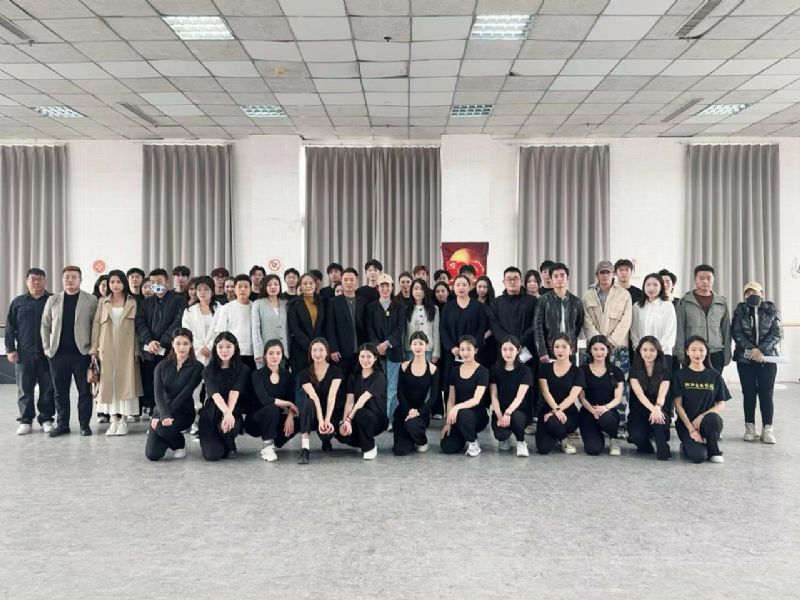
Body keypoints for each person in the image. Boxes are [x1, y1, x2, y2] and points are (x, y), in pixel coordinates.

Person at [41, 266, 98, 437]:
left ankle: (84, 425)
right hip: (58, 354)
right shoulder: (53, 300)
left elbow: (96, 327)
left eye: (74, 277)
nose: (70, 280)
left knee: (84, 392)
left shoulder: (91, 300)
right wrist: (47, 348)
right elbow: (45, 325)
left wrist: (93, 349)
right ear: (62, 279)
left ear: (80, 280)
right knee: (60, 392)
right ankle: (62, 424)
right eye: (67, 277)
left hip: (82, 354)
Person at [91, 270, 142, 436]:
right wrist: (94, 349)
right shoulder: (102, 302)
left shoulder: (132, 302)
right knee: (109, 385)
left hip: (127, 349)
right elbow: (96, 326)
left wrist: (136, 349)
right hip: (107, 348)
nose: (115, 285)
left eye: (118, 282)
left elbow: (138, 328)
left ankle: (123, 421)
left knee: (126, 384)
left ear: (124, 283)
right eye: (112, 282)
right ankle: (113, 420)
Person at [582, 260, 632, 429]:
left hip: (618, 348)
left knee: (620, 385)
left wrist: (610, 342)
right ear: (597, 275)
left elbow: (626, 320)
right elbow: (586, 321)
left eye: (608, 272)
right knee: (595, 385)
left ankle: (620, 423)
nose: (605, 276)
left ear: (613, 274)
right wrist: (598, 344)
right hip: (595, 349)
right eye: (601, 273)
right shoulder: (588, 295)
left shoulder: (624, 294)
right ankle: (595, 419)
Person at [732, 281, 783, 444]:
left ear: (762, 293)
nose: (751, 295)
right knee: (748, 393)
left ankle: (767, 429)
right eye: (748, 293)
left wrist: (761, 350)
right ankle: (750, 428)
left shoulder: (771, 310)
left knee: (766, 394)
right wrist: (752, 350)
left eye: (755, 292)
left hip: (767, 359)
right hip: (745, 359)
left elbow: (777, 333)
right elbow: (737, 333)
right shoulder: (739, 311)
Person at [5, 268, 54, 434]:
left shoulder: (53, 300)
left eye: (40, 279)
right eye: (33, 279)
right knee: (24, 389)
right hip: (24, 353)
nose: (36, 282)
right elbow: (10, 328)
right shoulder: (18, 302)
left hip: (48, 353)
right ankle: (25, 420)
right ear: (27, 282)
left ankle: (46, 419)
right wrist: (10, 349)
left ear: (45, 281)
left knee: (48, 388)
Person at [489, 267, 538, 426]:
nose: (512, 281)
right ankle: (504, 415)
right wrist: (508, 344)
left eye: (515, 278)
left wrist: (519, 343)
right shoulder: (497, 302)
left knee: (527, 383)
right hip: (504, 351)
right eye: (508, 279)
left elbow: (535, 324)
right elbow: (493, 325)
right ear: (503, 282)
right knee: (505, 384)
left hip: (526, 350)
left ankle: (528, 419)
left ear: (521, 281)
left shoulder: (532, 301)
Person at [145, 328, 203, 461]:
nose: (181, 347)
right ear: (172, 344)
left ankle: (179, 445)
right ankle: (169, 437)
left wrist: (165, 416)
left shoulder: (197, 367)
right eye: (178, 343)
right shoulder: (162, 366)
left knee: (162, 428)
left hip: (183, 411)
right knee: (152, 454)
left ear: (191, 344)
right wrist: (159, 415)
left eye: (185, 343)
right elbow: (158, 395)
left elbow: (184, 394)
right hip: (162, 410)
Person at [135, 268, 186, 418]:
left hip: (169, 350)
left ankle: (169, 411)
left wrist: (162, 342)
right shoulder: (146, 302)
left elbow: (178, 322)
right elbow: (140, 324)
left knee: (168, 381)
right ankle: (154, 412)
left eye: (159, 281)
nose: (156, 285)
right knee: (151, 381)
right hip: (149, 350)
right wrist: (149, 341)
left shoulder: (178, 300)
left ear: (167, 282)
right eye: (152, 282)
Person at [673, 336, 730, 464]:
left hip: (707, 423)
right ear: (687, 352)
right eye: (693, 350)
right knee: (699, 457)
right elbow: (678, 406)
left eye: (701, 350)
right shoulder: (679, 375)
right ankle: (686, 446)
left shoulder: (714, 375)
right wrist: (691, 429)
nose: (697, 354)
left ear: (706, 351)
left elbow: (721, 404)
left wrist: (701, 417)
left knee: (713, 418)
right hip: (686, 425)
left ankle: (714, 450)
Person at [440, 275, 487, 418]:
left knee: (472, 383)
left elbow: (482, 328)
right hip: (453, 352)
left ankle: (471, 414)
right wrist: (452, 348)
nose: (461, 288)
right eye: (458, 285)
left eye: (464, 285)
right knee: (450, 383)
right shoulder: (448, 306)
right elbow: (443, 329)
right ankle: (450, 415)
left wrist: (470, 348)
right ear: (453, 288)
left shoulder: (478, 306)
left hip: (471, 353)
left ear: (470, 287)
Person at [199, 332, 250, 461]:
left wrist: (228, 414)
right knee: (212, 455)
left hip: (232, 409)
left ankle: (230, 443)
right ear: (215, 348)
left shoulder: (243, 369)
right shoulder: (208, 370)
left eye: (228, 346)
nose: (224, 351)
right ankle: (217, 440)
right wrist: (226, 413)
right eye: (220, 347)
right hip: (212, 411)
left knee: (230, 425)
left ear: (235, 347)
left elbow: (234, 392)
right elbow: (215, 394)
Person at [246, 339, 299, 462]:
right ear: (265, 355)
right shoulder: (257, 374)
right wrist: (288, 404)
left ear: (282, 355)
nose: (275, 356)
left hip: (275, 419)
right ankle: (268, 445)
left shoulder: (287, 375)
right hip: (256, 420)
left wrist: (290, 416)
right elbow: (266, 400)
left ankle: (274, 442)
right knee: (272, 407)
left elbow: (292, 400)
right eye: (271, 353)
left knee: (298, 420)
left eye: (278, 353)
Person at [365, 273, 406, 423]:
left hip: (394, 352)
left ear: (392, 287)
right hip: (377, 353)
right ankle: (379, 417)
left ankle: (391, 419)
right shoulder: (371, 307)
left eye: (387, 286)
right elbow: (369, 328)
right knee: (379, 385)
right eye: (382, 286)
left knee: (393, 387)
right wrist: (377, 345)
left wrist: (387, 343)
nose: (385, 289)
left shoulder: (399, 306)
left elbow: (400, 328)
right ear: (377, 288)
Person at [337, 343, 389, 460]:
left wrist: (349, 419)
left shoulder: (379, 376)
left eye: (369, 357)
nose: (365, 360)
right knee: (343, 434)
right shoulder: (354, 376)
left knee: (361, 413)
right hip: (358, 416)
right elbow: (349, 401)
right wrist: (344, 422)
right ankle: (362, 441)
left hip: (377, 419)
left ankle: (370, 447)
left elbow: (362, 399)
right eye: (362, 356)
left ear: (375, 358)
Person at [675, 264, 731, 371]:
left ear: (713, 280)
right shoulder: (684, 302)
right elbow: (679, 329)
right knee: (692, 381)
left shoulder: (721, 302)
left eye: (709, 278)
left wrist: (727, 352)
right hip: (693, 352)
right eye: (701, 278)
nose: (705, 281)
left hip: (716, 352)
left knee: (714, 381)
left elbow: (726, 329)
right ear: (695, 280)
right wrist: (680, 352)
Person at [440, 335, 489, 457]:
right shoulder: (455, 371)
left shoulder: (483, 371)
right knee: (447, 447)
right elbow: (451, 400)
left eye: (469, 349)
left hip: (477, 415)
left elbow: (476, 400)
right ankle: (465, 435)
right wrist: (448, 423)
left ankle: (473, 442)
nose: (465, 353)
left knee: (463, 413)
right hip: (458, 416)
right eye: (462, 349)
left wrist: (457, 408)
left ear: (475, 350)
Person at [297, 338, 344, 464]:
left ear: (327, 352)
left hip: (331, 410)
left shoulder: (336, 371)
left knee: (326, 434)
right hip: (313, 411)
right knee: (308, 403)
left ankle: (326, 441)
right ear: (310, 352)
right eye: (314, 350)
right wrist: (321, 420)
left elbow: (332, 396)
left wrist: (327, 420)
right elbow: (314, 397)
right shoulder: (304, 374)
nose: (317, 354)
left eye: (321, 350)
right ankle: (305, 448)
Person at [393, 332, 440, 456]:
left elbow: (433, 397)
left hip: (421, 411)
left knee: (412, 425)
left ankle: (422, 441)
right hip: (403, 411)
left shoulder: (433, 369)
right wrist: (409, 411)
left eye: (421, 343)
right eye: (414, 344)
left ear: (426, 345)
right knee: (400, 450)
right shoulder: (404, 366)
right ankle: (410, 438)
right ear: (410, 346)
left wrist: (418, 412)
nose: (418, 347)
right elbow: (400, 393)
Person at [536, 334, 584, 455]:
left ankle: (564, 438)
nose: (560, 350)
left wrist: (555, 412)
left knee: (553, 421)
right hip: (547, 412)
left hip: (568, 413)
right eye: (556, 347)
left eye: (564, 347)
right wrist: (555, 410)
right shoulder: (545, 368)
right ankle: (558, 435)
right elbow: (545, 392)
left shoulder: (578, 371)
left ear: (571, 349)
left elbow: (572, 397)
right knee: (543, 448)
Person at [578, 335, 624, 456]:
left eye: (602, 349)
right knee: (593, 449)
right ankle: (597, 435)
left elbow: (618, 398)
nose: (599, 352)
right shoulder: (582, 371)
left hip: (608, 412)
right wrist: (593, 410)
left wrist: (605, 408)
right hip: (588, 412)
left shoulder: (616, 371)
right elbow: (581, 397)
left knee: (606, 417)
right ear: (590, 350)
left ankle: (613, 438)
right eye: (595, 349)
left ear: (608, 350)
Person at [628, 336, 672, 460]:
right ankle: (646, 444)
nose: (648, 353)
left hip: (660, 408)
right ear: (639, 351)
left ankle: (663, 445)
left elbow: (662, 394)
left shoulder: (665, 370)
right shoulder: (634, 370)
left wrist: (657, 408)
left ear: (658, 351)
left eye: (652, 350)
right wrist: (654, 409)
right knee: (637, 437)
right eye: (645, 350)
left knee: (658, 419)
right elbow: (640, 395)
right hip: (640, 410)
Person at [489, 336, 532, 457]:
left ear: (518, 350)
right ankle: (506, 436)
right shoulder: (495, 369)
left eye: (511, 349)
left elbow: (519, 397)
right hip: (501, 411)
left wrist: (508, 413)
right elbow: (494, 396)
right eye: (505, 349)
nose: (507, 353)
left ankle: (521, 441)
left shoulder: (525, 370)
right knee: (501, 435)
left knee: (516, 418)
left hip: (519, 410)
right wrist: (500, 416)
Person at [534, 263, 584, 363]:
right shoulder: (543, 300)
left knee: (570, 373)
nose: (559, 279)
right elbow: (538, 328)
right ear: (551, 280)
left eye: (562, 275)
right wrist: (542, 352)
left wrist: (571, 343)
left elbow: (578, 326)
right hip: (549, 352)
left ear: (567, 278)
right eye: (556, 276)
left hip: (569, 351)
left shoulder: (576, 302)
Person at [325, 267, 368, 383]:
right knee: (341, 382)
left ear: (357, 281)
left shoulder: (363, 302)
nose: (349, 283)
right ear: (341, 281)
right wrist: (333, 348)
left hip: (361, 350)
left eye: (351, 279)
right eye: (346, 280)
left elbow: (367, 326)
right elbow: (330, 327)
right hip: (341, 352)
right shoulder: (333, 302)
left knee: (358, 382)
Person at [287, 273, 326, 376]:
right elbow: (294, 328)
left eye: (311, 283)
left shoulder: (323, 302)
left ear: (315, 285)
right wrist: (310, 345)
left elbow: (325, 325)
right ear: (300, 285)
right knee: (300, 380)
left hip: (319, 349)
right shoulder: (293, 304)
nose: (308, 286)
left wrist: (318, 345)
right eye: (305, 283)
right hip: (300, 349)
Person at [215, 274, 256, 371]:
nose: (243, 289)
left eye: (246, 287)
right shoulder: (226, 308)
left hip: (253, 352)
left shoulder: (255, 307)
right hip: (233, 353)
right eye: (239, 287)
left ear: (251, 289)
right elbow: (220, 331)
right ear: (235, 289)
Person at [631, 273, 677, 356]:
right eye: (648, 285)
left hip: (662, 353)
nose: (651, 288)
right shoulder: (637, 306)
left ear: (661, 287)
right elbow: (634, 331)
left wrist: (658, 351)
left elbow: (670, 332)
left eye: (655, 285)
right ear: (643, 287)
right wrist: (640, 349)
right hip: (641, 354)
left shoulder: (668, 306)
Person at [251, 274, 290, 370]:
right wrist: (258, 353)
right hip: (265, 351)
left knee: (282, 376)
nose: (273, 287)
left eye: (276, 284)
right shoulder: (258, 304)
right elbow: (255, 330)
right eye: (269, 285)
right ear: (264, 287)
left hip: (283, 351)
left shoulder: (285, 303)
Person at [404, 279, 440, 363]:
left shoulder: (434, 309)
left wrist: (436, 353)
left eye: (421, 289)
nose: (418, 291)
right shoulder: (406, 309)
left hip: (427, 349)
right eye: (416, 288)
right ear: (411, 291)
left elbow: (436, 332)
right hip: (409, 349)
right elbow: (403, 332)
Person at [474, 275, 497, 368]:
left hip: (489, 341)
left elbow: (495, 323)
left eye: (485, 287)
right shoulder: (471, 302)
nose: (482, 289)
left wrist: (483, 337)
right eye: (479, 287)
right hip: (472, 340)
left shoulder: (494, 304)